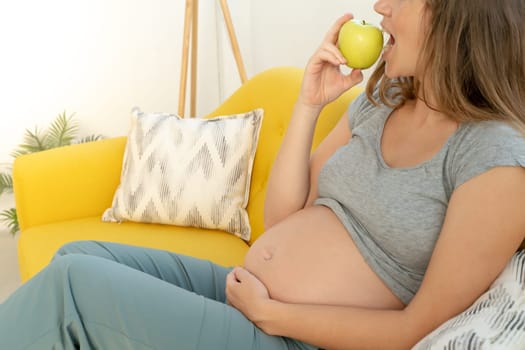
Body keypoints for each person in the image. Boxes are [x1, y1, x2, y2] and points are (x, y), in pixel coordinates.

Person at [2, 0, 525, 348]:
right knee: (78, 256)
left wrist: (275, 316)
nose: (380, 7)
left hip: (297, 337)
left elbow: (417, 328)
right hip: (252, 297)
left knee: (72, 287)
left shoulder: (495, 158)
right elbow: (282, 219)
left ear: (461, 18)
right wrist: (308, 105)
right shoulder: (382, 101)